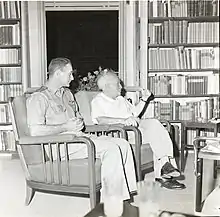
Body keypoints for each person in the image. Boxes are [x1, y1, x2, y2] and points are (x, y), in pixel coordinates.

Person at [26, 57, 137, 202]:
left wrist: (78, 123)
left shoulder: (67, 94)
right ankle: (111, 203)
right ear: (58, 73)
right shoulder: (39, 98)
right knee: (111, 148)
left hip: (78, 138)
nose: (72, 78)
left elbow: (77, 118)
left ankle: (125, 197)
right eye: (69, 73)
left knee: (123, 144)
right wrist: (65, 127)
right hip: (60, 145)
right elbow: (35, 131)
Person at [91, 69, 186, 190]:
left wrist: (144, 99)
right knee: (154, 132)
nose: (121, 86)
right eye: (117, 84)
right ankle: (164, 174)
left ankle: (165, 167)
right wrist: (122, 121)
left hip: (134, 131)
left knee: (155, 125)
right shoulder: (98, 101)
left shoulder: (121, 99)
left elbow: (135, 114)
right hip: (119, 134)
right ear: (107, 86)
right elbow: (100, 120)